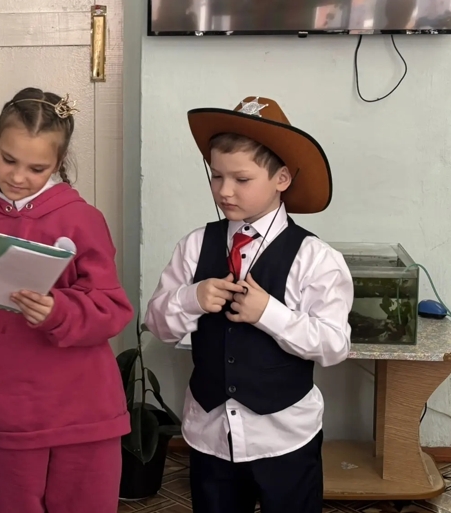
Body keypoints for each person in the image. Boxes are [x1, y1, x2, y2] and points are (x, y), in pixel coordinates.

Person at [144, 96, 353, 513]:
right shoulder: (194, 246)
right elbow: (157, 324)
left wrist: (270, 314)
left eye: (241, 179)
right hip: (209, 435)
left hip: (285, 437)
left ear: (281, 178)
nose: (224, 191)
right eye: (216, 176)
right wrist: (191, 298)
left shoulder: (316, 258)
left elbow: (334, 345)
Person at [0, 87, 133, 513]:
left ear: (59, 162)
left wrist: (59, 311)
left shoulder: (82, 220)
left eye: (37, 167)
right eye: (8, 160)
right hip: (3, 416)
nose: (19, 176)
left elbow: (112, 308)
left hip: (84, 413)